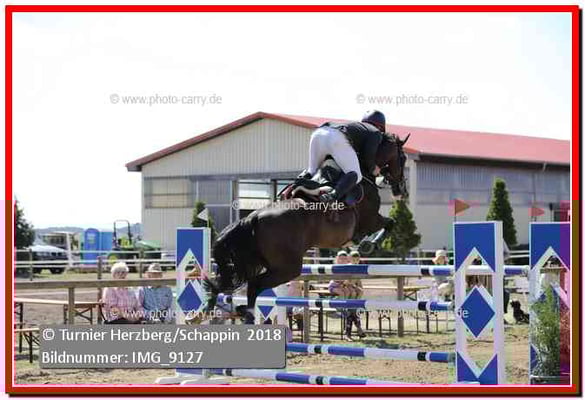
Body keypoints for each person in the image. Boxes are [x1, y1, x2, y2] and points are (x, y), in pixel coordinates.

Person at [297, 110, 387, 203]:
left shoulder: (357, 126)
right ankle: (331, 196)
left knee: (312, 170)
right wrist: (373, 169)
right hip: (337, 137)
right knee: (356, 175)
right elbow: (368, 156)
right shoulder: (376, 132)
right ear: (380, 127)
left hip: (318, 133)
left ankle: (297, 183)